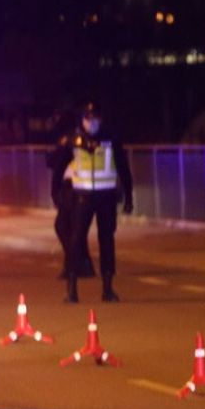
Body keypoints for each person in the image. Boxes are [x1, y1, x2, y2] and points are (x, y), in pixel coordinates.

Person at [57, 100, 133, 304]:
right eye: (89, 118)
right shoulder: (72, 139)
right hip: (82, 197)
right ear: (82, 119)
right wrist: (58, 195)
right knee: (76, 240)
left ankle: (108, 288)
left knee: (107, 241)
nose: (92, 122)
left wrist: (129, 196)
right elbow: (58, 167)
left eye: (96, 118)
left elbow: (124, 168)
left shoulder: (111, 138)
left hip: (106, 197)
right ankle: (72, 289)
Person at [45, 121, 94, 282]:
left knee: (66, 227)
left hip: (74, 187)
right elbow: (53, 163)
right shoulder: (72, 141)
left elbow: (55, 163)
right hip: (71, 187)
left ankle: (74, 265)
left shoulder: (73, 142)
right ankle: (82, 264)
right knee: (74, 228)